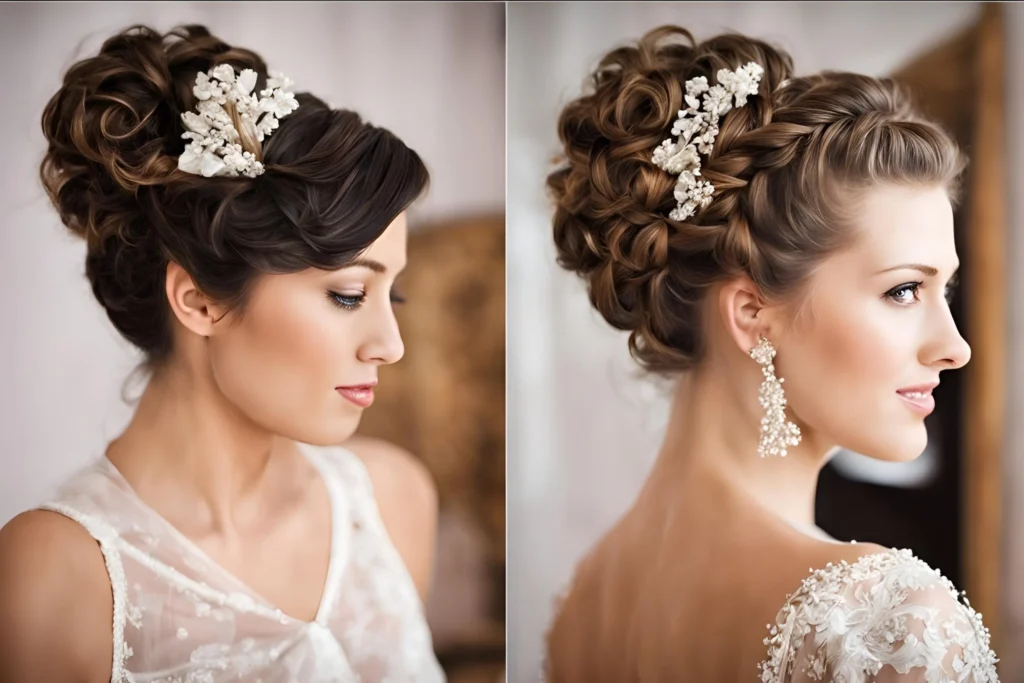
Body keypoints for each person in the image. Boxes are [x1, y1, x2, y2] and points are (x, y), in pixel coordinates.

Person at [542, 25, 999, 682]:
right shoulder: (889, 622)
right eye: (904, 290)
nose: (955, 347)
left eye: (944, 290)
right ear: (753, 315)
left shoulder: (584, 601)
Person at [0, 24, 445, 683]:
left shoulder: (393, 501)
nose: (391, 345)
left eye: (393, 295)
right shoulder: (53, 578)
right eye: (350, 295)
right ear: (200, 301)